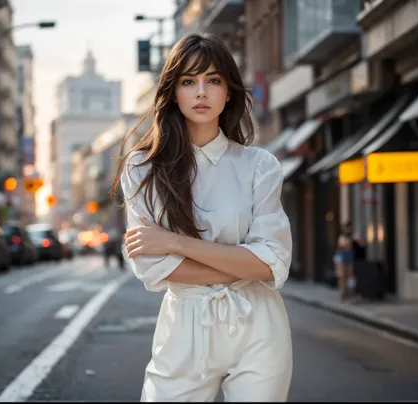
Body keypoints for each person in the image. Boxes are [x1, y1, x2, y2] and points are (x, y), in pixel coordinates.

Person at [113, 33, 293, 402]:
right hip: (184, 327)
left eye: (213, 81)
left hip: (258, 325)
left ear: (228, 92)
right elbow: (153, 268)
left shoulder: (259, 166)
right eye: (188, 81)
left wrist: (176, 243)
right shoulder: (142, 169)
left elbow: (274, 260)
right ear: (172, 92)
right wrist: (244, 264)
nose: (201, 93)